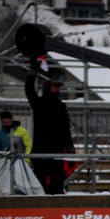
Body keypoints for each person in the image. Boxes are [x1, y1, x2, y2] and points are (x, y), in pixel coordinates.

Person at [24, 61, 76, 195]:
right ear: (47, 88)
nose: (58, 89)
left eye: (58, 87)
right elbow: (29, 90)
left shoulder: (60, 106)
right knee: (39, 186)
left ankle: (56, 212)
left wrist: (70, 149)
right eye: (55, 87)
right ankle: (38, 213)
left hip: (56, 151)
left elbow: (65, 129)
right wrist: (33, 72)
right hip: (41, 150)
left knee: (57, 186)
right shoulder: (39, 103)